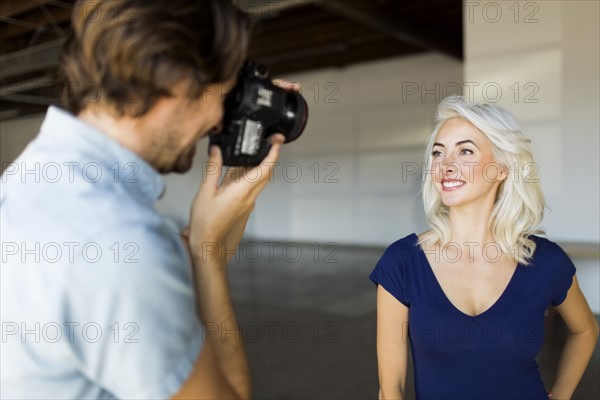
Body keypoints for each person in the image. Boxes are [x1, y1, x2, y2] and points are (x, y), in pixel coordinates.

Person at [0, 1, 299, 398]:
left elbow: (173, 275)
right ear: (177, 75)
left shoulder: (35, 178)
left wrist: (214, 228)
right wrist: (207, 251)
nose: (219, 121)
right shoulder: (116, 240)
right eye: (222, 95)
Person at [370, 96, 599, 400]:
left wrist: (562, 394)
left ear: (502, 168)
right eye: (439, 153)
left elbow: (585, 331)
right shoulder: (402, 262)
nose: (446, 165)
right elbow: (390, 390)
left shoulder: (546, 261)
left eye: (465, 151)